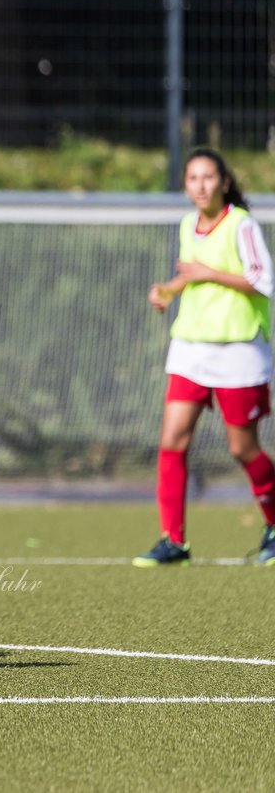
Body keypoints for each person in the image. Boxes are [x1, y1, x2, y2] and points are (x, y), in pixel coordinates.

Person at [136, 149, 275, 567]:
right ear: (185, 185)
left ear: (224, 182)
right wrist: (168, 292)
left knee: (242, 449)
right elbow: (194, 273)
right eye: (192, 178)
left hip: (238, 349)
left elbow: (261, 280)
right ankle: (173, 540)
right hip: (190, 348)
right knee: (171, 442)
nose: (200, 185)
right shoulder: (186, 224)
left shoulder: (241, 224)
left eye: (208, 177)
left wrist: (207, 274)